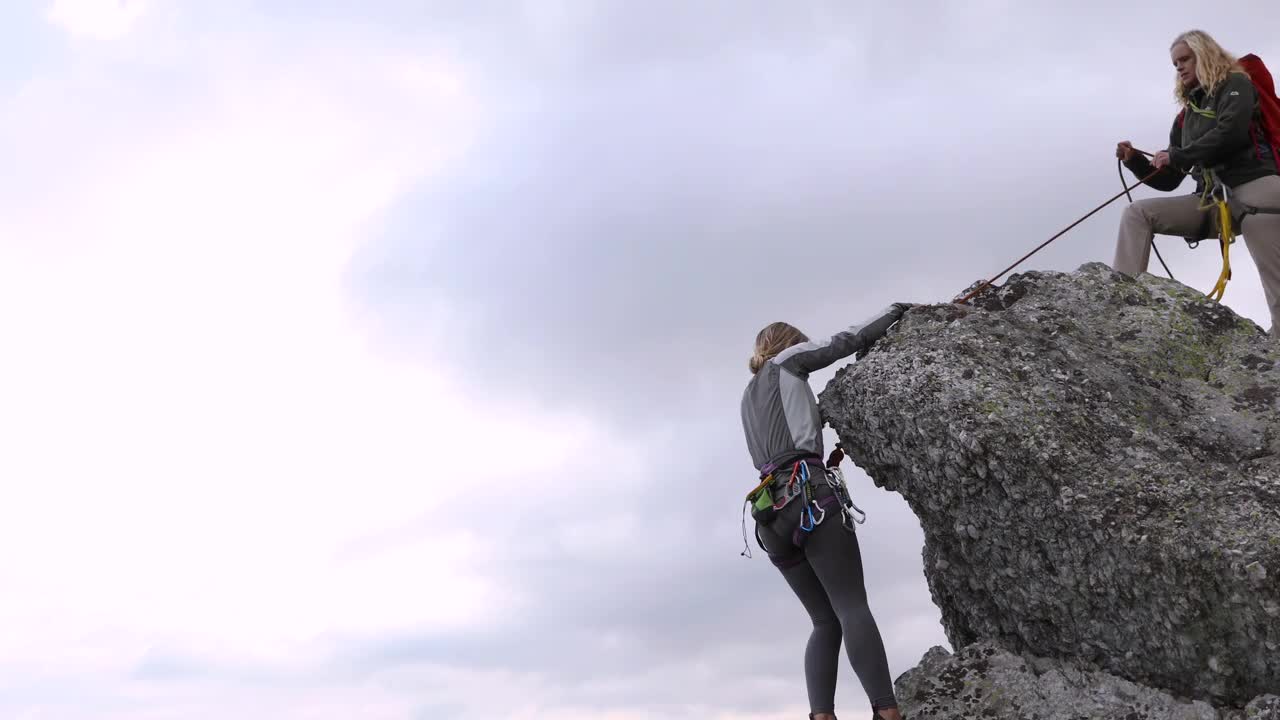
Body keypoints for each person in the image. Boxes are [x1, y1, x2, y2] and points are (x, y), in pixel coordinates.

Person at [740, 303, 913, 720]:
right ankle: (887, 712)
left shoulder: (747, 397)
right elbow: (843, 341)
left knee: (824, 622)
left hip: (768, 514)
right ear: (788, 343)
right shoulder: (787, 362)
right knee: (852, 606)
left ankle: (822, 715)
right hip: (808, 495)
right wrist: (897, 311)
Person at [1113, 29, 1280, 333]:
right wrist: (1135, 161)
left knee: (1275, 276)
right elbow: (1171, 180)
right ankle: (1118, 301)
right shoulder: (1186, 116)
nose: (1179, 67)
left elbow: (1231, 132)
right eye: (1175, 63)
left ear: (1204, 55)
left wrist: (1176, 155)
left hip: (1256, 186)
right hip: (1212, 199)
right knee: (1137, 213)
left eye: (1185, 59)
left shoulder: (1237, 84)